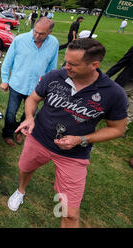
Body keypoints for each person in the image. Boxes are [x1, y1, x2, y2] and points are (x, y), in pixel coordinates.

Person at [9, 38, 128, 228]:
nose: (66, 67)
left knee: (70, 213)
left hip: (74, 154)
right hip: (38, 139)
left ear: (94, 65)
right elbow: (33, 98)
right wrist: (29, 117)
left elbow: (118, 129)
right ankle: (21, 190)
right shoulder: (55, 76)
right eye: (66, 61)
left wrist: (82, 139)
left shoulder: (113, 93)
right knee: (25, 167)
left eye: (73, 64)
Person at [0, 17, 59, 147]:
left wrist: (48, 86)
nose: (37, 35)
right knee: (11, 113)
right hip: (17, 84)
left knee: (30, 113)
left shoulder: (54, 43)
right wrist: (5, 80)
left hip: (37, 87)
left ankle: (20, 131)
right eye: (35, 31)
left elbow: (52, 67)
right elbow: (7, 62)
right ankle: (8, 133)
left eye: (41, 34)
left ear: (49, 32)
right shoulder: (20, 40)